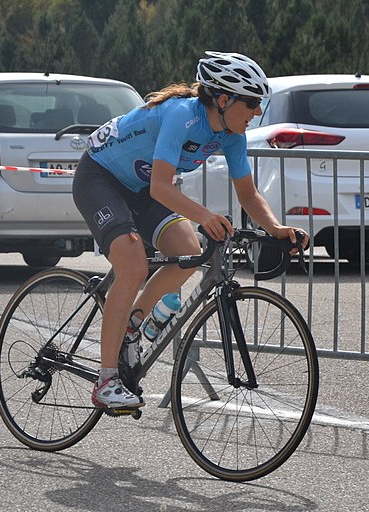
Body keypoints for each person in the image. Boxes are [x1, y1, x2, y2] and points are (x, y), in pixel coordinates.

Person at [72, 51, 310, 409]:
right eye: (251, 103)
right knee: (134, 266)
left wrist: (276, 228)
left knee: (187, 250)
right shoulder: (182, 115)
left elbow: (247, 193)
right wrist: (205, 216)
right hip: (100, 178)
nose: (257, 112)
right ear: (224, 99)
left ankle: (132, 326)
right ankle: (106, 382)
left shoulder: (232, 134)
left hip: (140, 188)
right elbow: (161, 188)